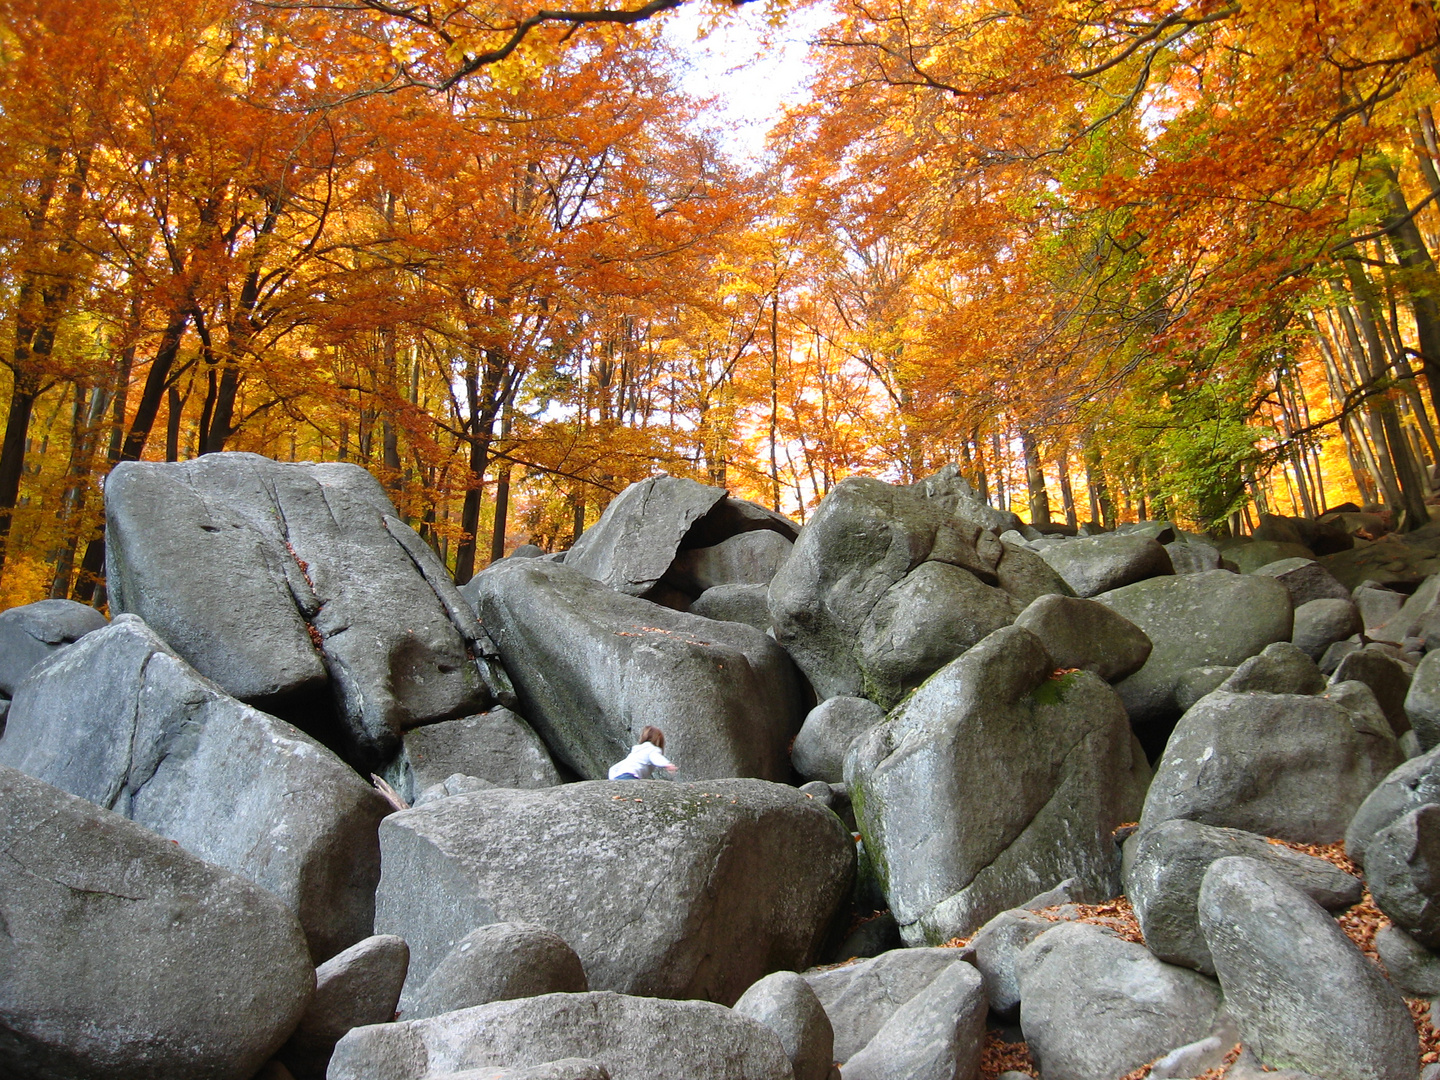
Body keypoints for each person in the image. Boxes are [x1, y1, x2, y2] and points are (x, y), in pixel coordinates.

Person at [608, 726, 678, 780]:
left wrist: (613, 782)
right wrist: (667, 764)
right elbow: (656, 757)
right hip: (630, 776)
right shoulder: (652, 749)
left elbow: (613, 769)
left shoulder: (634, 754)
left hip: (618, 777)